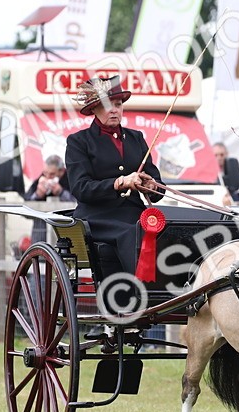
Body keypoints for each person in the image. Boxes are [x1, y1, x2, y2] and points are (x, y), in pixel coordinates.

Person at [64, 75, 163, 278]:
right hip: (96, 218)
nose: (114, 110)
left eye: (118, 104)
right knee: (132, 233)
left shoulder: (136, 138)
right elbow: (81, 188)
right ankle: (145, 291)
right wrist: (120, 183)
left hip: (135, 214)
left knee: (170, 230)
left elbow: (157, 184)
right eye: (108, 105)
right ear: (94, 109)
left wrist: (150, 186)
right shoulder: (79, 142)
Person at [24, 154, 75, 245]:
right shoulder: (40, 180)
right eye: (45, 173)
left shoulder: (71, 179)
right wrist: (37, 195)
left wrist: (61, 192)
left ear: (61, 171)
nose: (47, 177)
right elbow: (26, 203)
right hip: (40, 238)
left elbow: (77, 201)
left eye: (52, 174)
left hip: (64, 237)